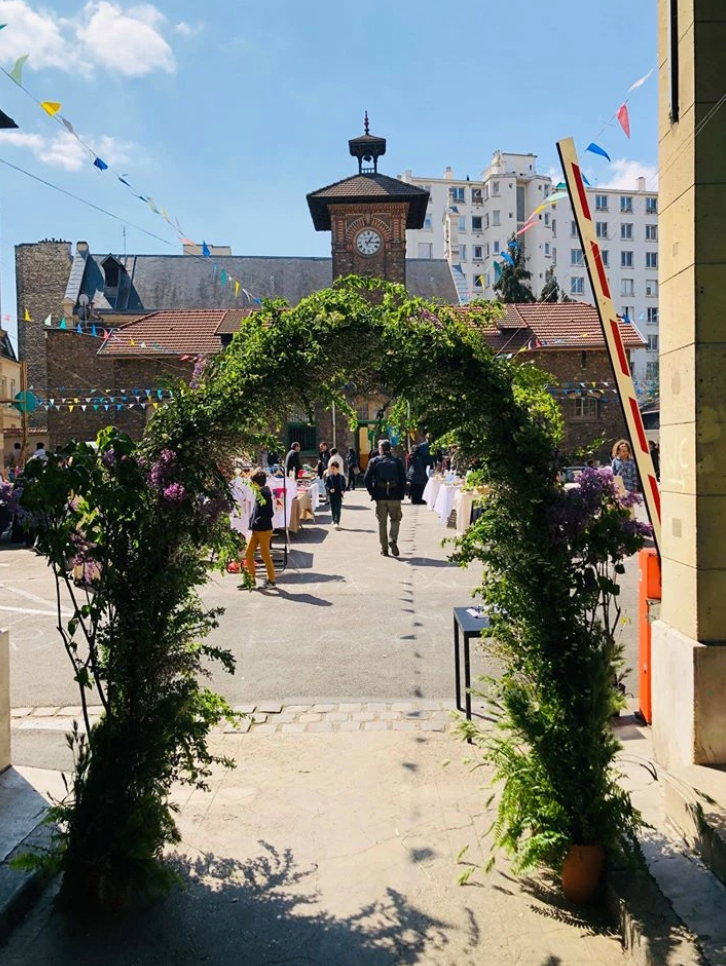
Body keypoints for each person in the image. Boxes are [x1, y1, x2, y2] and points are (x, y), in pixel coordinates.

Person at [364, 439, 407, 557]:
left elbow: (366, 479)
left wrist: (372, 492)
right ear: (390, 449)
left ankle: (384, 549)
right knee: (395, 519)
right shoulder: (397, 461)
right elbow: (403, 478)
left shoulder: (374, 461)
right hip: (394, 495)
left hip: (380, 495)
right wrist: (401, 493)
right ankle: (392, 539)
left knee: (381, 523)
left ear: (380, 449)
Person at [244, 469, 276, 589]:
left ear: (256, 483)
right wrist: (252, 521)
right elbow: (256, 511)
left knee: (265, 555)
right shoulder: (260, 493)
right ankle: (250, 580)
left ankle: (271, 580)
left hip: (263, 529)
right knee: (248, 553)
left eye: (253, 483)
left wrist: (257, 521)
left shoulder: (265, 495)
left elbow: (269, 513)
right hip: (256, 529)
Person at [325, 461, 345, 530]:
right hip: (332, 495)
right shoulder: (329, 477)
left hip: (339, 495)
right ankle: (334, 521)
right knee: (333, 508)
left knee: (338, 509)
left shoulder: (341, 477)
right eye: (331, 469)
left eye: (334, 468)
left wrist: (343, 491)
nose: (332, 470)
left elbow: (344, 486)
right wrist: (330, 489)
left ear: (337, 469)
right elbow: (326, 485)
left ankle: (337, 521)